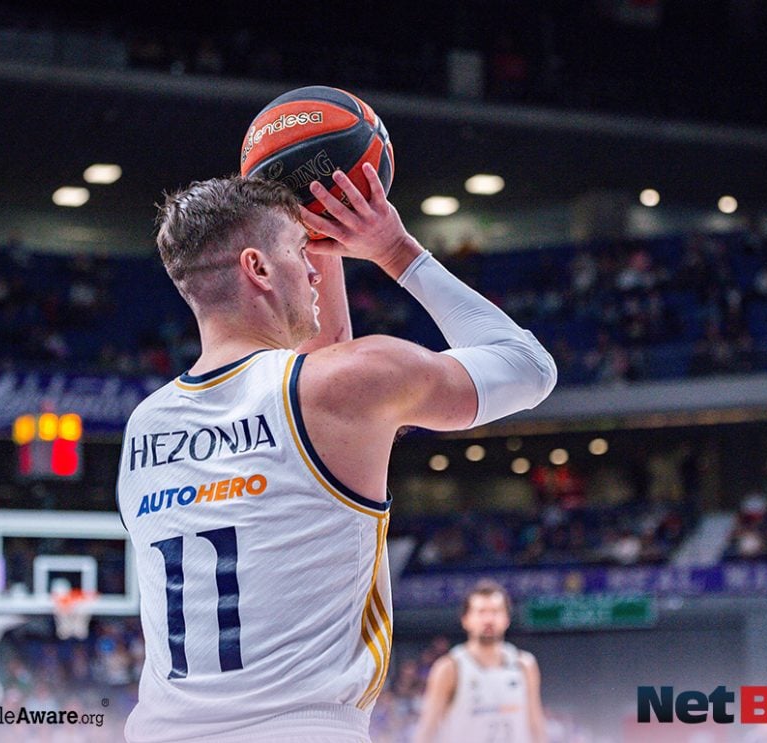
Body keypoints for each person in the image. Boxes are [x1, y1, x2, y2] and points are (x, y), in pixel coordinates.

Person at [116, 163, 557, 742]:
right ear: (258, 268)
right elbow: (529, 367)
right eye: (302, 252)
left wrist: (311, 228)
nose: (313, 270)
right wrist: (395, 250)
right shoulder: (340, 387)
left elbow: (313, 380)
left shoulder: (145, 426)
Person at [415, 580, 547, 743]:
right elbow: (427, 729)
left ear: (507, 619)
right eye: (481, 612)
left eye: (495, 612)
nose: (488, 619)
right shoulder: (450, 668)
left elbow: (536, 724)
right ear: (465, 619)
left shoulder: (525, 665)